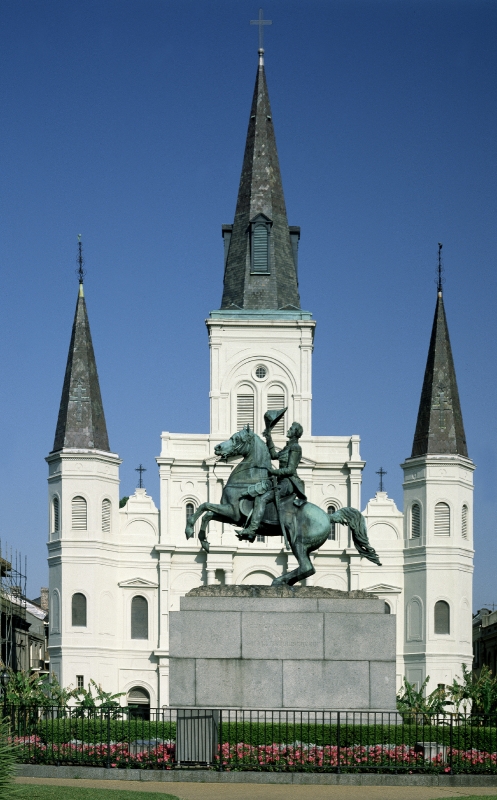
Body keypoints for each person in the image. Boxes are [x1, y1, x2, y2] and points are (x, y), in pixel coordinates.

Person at [237, 421, 307, 541]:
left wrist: (273, 472)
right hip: (281, 481)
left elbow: (290, 470)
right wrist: (268, 437)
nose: (288, 430)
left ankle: (252, 529)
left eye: (291, 429)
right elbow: (274, 455)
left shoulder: (295, 448)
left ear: (295, 433)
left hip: (288, 482)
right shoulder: (288, 447)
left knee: (262, 498)